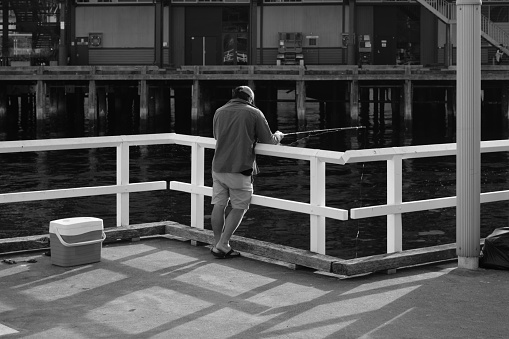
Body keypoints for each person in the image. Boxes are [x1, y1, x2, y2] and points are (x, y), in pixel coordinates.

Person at [210, 85, 284, 258]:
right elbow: (269, 140)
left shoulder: (219, 111)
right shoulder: (253, 112)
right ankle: (223, 244)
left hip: (218, 167)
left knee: (219, 204)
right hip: (239, 168)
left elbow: (216, 136)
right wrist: (279, 136)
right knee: (240, 206)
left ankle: (216, 243)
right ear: (249, 99)